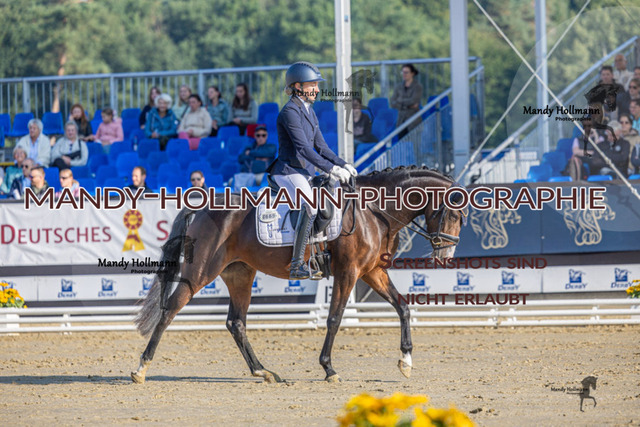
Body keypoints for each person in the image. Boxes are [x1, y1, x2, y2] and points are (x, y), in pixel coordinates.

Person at [267, 61, 356, 280]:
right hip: (289, 171)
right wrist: (330, 169)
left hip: (305, 172)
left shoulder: (309, 111)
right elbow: (303, 149)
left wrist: (342, 164)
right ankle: (297, 264)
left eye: (317, 84)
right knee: (310, 205)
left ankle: (318, 255)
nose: (317, 89)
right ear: (297, 86)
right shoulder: (289, 112)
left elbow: (321, 146)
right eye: (312, 85)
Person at [390, 63, 423, 138]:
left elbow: (414, 101)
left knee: (415, 142)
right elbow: (392, 102)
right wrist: (408, 105)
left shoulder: (418, 87)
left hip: (414, 121)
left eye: (406, 72)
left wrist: (399, 101)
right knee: (402, 142)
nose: (404, 74)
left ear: (412, 73)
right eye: (403, 72)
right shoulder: (398, 87)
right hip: (401, 121)